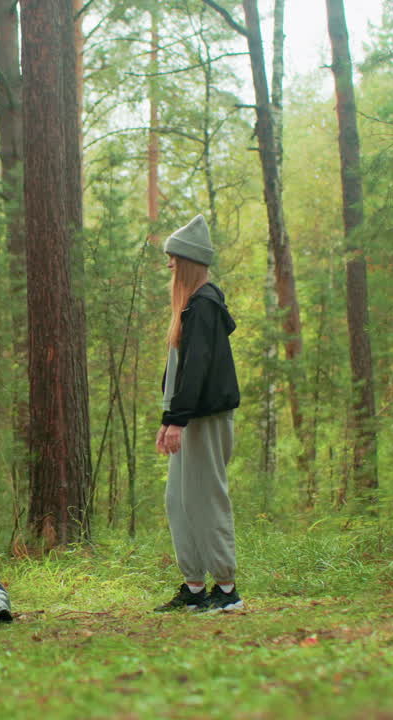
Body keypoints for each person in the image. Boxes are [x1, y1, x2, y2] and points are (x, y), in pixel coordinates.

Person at [153, 214, 243, 613]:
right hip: (187, 417)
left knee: (206, 499)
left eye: (174, 258)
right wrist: (167, 418)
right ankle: (194, 587)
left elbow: (198, 368)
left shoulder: (205, 306)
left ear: (188, 261)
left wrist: (178, 418)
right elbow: (178, 370)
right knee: (178, 500)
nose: (169, 264)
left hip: (204, 419)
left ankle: (226, 591)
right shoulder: (189, 307)